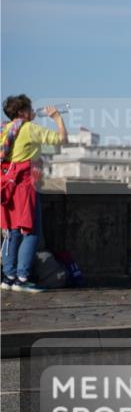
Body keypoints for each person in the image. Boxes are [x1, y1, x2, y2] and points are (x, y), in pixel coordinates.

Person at [1, 94, 67, 293]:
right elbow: (61, 140)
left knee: (12, 232)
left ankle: (8, 276)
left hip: (7, 186)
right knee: (30, 232)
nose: (33, 112)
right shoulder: (29, 128)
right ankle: (22, 278)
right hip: (25, 186)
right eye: (30, 108)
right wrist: (56, 117)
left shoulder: (5, 129)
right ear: (22, 112)